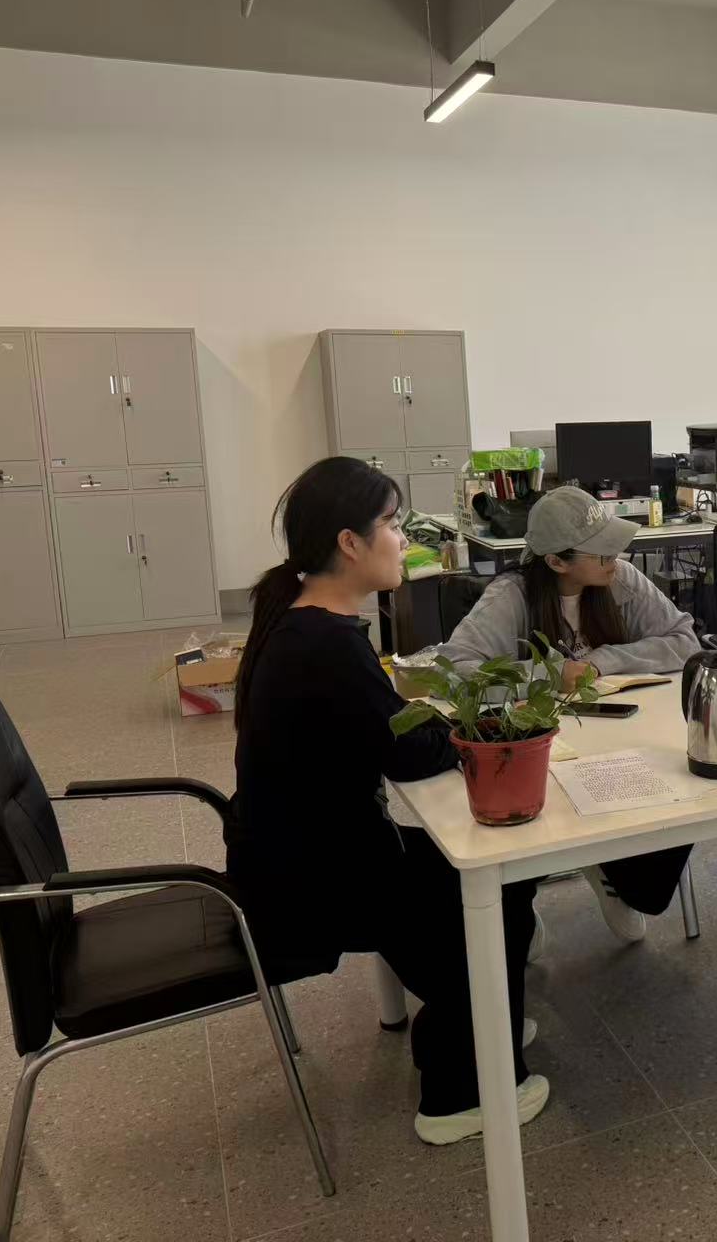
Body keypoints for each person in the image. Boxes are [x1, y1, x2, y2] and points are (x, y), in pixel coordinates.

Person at [227, 456, 544, 1147]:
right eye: (393, 525)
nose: (404, 540)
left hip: (302, 850)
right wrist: (468, 729)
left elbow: (384, 728)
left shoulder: (306, 620)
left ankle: (483, 1022)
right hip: (316, 878)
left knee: (497, 881)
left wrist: (431, 720)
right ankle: (461, 1092)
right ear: (350, 543)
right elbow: (407, 751)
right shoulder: (323, 645)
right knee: (492, 889)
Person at [441, 484, 699, 943]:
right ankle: (518, 901)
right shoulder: (511, 596)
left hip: (622, 738)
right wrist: (549, 674)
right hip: (545, 748)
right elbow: (456, 671)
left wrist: (603, 660)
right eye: (600, 552)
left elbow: (684, 640)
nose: (615, 558)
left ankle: (613, 870)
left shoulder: (620, 578)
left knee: (682, 794)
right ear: (557, 562)